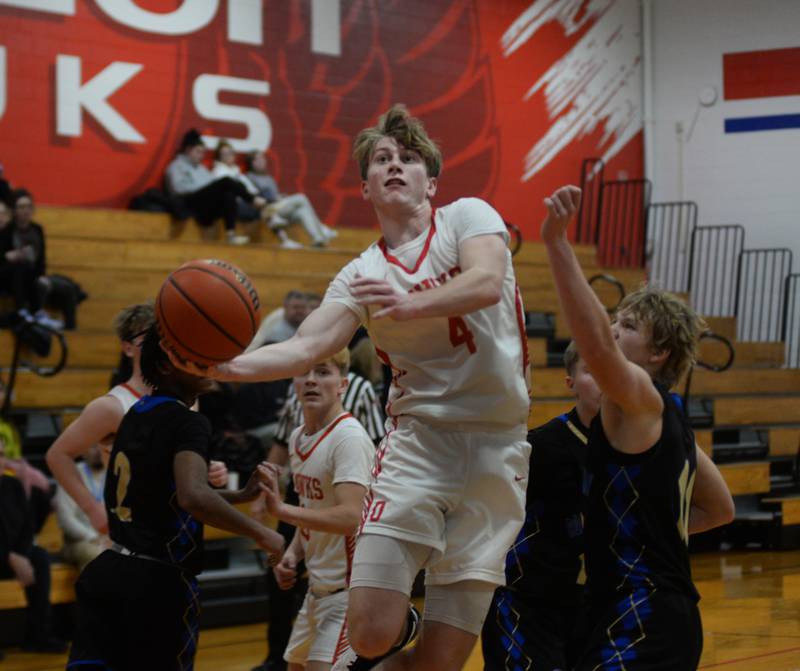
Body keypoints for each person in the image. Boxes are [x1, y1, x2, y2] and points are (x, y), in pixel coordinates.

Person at [173, 104, 532, 671]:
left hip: (499, 451)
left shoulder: (468, 217)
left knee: (438, 664)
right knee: (368, 635)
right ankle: (397, 613)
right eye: (381, 160)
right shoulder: (361, 273)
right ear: (365, 187)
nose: (395, 165)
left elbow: (486, 283)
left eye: (408, 159)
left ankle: (409, 618)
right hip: (420, 445)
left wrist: (412, 303)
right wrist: (220, 366)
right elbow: (304, 347)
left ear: (430, 181)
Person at [541, 186, 735, 670]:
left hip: (645, 612)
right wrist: (637, 532)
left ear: (658, 353)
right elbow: (720, 508)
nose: (612, 329)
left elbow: (596, 348)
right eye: (617, 320)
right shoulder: (669, 417)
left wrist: (557, 244)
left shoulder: (643, 397)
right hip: (636, 608)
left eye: (626, 325)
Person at [66, 326, 285, 671]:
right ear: (167, 365)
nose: (210, 363)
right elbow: (193, 496)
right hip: (156, 586)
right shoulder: (188, 422)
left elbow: (164, 491)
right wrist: (264, 534)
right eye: (197, 357)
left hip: (110, 570)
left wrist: (240, 495)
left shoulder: (137, 413)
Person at [47, 303, 229, 536]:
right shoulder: (111, 406)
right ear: (127, 347)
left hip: (179, 528)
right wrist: (92, 509)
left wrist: (210, 469)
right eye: (149, 338)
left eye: (164, 338)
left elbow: (184, 465)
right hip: (132, 535)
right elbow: (57, 455)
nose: (159, 345)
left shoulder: (189, 400)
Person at [481, 341, 600, 671]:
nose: (604, 380)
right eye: (591, 372)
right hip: (526, 604)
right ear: (570, 382)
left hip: (589, 605)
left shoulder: (630, 448)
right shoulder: (543, 447)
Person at [257, 349, 373, 671]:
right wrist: (294, 554)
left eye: (322, 372)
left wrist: (282, 510)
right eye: (303, 372)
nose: (310, 380)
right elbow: (311, 512)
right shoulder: (298, 438)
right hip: (315, 591)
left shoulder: (348, 439)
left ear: (342, 385)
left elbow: (351, 518)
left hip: (348, 592)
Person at [0, 437, 67, 653]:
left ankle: (39, 634)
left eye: (2, 455)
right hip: (5, 556)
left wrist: (19, 554)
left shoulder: (13, 485)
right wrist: (10, 557)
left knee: (39, 556)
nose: (1, 461)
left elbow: (27, 527)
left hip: (14, 555)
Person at [165, 129, 265, 245]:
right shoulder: (176, 166)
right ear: (188, 150)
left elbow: (212, 185)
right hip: (188, 202)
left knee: (229, 193)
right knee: (226, 180)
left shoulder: (202, 169)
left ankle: (231, 235)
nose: (201, 155)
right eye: (198, 151)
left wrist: (209, 189)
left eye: (203, 152)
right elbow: (177, 189)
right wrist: (202, 188)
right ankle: (252, 199)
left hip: (205, 207)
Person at [245, 150, 336, 247]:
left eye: (262, 158)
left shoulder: (268, 178)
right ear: (251, 163)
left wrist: (280, 196)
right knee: (301, 197)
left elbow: (274, 194)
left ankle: (318, 239)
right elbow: (256, 197)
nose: (261, 161)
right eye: (257, 159)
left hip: (279, 206)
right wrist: (274, 198)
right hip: (268, 210)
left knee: (302, 211)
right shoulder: (250, 177)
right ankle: (321, 228)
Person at [0, 190, 62, 329]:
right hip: (9, 274)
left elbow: (41, 259)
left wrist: (42, 275)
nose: (26, 211)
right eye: (21, 207)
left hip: (30, 273)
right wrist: (7, 256)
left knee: (45, 282)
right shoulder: (7, 230)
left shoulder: (37, 230)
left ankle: (38, 313)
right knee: (20, 267)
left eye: (28, 206)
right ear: (14, 210)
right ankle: (22, 310)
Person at [53, 443, 109, 572]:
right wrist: (93, 537)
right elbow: (65, 519)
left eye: (102, 445)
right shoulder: (70, 475)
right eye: (93, 446)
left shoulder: (115, 473)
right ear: (82, 451)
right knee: (97, 555)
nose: (99, 451)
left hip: (111, 539)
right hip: (80, 541)